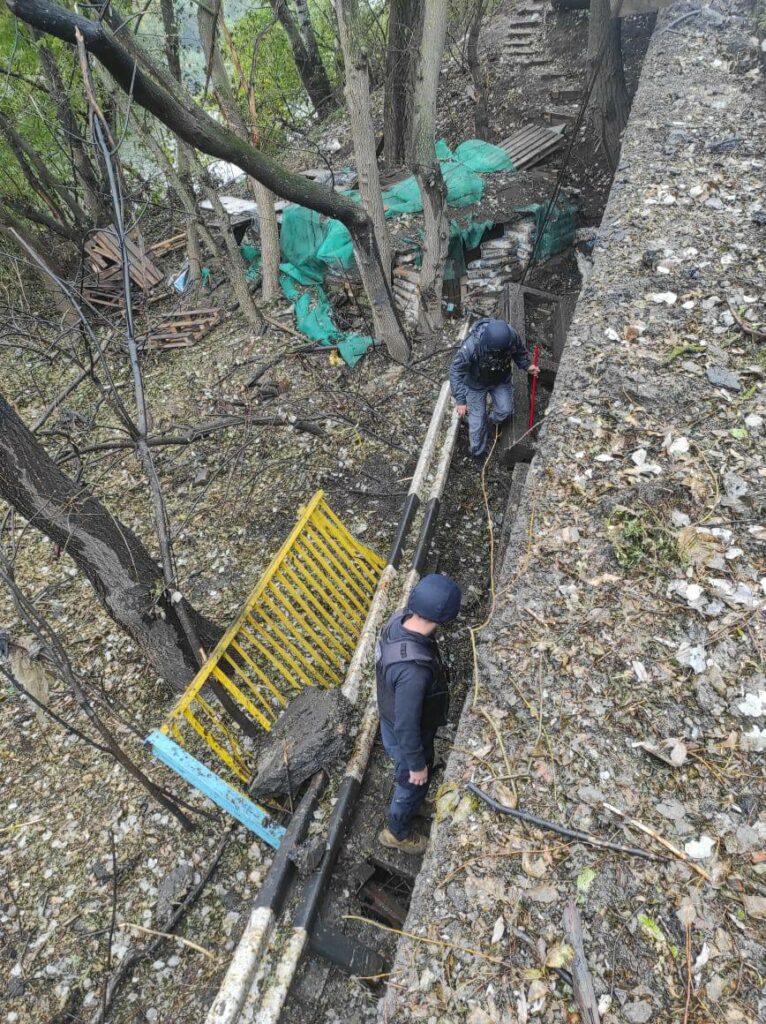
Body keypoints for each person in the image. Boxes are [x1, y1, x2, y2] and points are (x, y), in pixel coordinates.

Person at [375, 573, 462, 854]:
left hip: (397, 718)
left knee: (421, 769)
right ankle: (396, 833)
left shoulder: (399, 620)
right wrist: (416, 766)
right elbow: (406, 726)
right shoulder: (412, 672)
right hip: (404, 736)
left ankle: (417, 802)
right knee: (410, 783)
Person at [449, 318, 539, 458]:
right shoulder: (472, 346)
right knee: (477, 425)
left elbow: (519, 352)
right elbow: (455, 371)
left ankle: (491, 423)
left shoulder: (511, 337)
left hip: (500, 380)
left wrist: (527, 366)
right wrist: (460, 400)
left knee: (505, 411)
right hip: (475, 384)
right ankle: (477, 452)